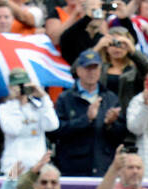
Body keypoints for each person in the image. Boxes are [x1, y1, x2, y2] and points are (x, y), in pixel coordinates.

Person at [54, 48, 125, 177]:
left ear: (100, 70)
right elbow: (56, 132)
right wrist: (86, 120)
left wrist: (110, 124)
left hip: (104, 168)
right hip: (73, 169)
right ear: (78, 70)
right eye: (88, 68)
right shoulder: (65, 98)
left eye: (95, 68)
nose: (91, 72)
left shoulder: (111, 98)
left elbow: (121, 135)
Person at [0, 68, 59, 170]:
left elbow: (52, 126)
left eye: (23, 85)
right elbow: (13, 130)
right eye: (16, 86)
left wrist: (44, 97)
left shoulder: (39, 106)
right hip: (13, 166)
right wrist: (17, 104)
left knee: (37, 185)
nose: (20, 89)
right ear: (10, 87)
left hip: (37, 165)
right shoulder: (4, 109)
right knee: (10, 185)